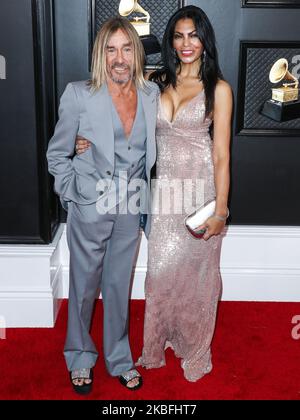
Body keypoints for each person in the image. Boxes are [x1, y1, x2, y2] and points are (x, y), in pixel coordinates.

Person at [76, 5, 232, 382]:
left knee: (198, 275)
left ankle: (195, 348)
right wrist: (89, 139)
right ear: (171, 41)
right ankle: (158, 340)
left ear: (205, 39)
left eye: (193, 34)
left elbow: (222, 154)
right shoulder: (155, 81)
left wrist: (221, 210)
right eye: (179, 36)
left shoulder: (219, 89)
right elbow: (116, 103)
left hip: (200, 191)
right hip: (162, 193)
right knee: (160, 274)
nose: (186, 43)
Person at [46, 16, 159, 394]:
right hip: (90, 205)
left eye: (127, 48)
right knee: (83, 286)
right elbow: (57, 154)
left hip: (131, 204)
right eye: (111, 49)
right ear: (100, 54)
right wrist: (73, 195)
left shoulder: (150, 94)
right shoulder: (79, 94)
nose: (119, 58)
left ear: (136, 53)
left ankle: (119, 357)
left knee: (116, 286)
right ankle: (79, 355)